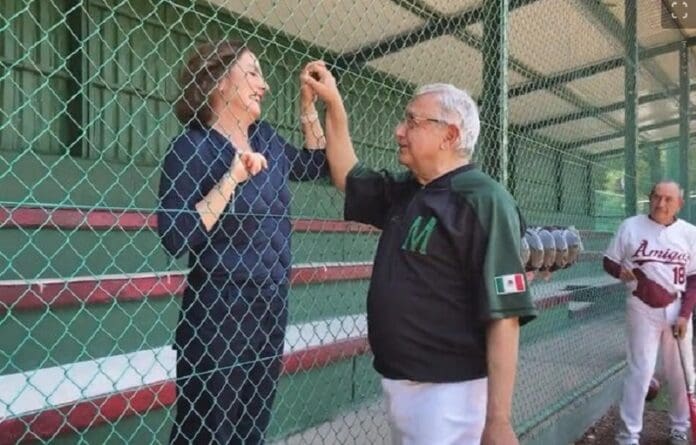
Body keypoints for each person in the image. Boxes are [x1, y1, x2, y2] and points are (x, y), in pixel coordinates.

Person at [301, 62, 537, 445]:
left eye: (412, 121)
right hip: (403, 386)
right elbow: (346, 173)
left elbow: (505, 316)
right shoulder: (409, 189)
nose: (399, 130)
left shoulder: (484, 200)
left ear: (450, 135)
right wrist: (334, 104)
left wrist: (498, 419)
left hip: (451, 392)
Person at [157, 41, 328, 444]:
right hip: (219, 309)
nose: (264, 85)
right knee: (207, 430)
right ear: (217, 81)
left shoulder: (266, 138)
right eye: (252, 72)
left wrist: (307, 108)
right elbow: (175, 235)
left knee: (251, 427)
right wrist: (230, 179)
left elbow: (315, 163)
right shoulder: (191, 146)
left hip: (271, 303)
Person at [603, 181, 696, 445]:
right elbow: (609, 260)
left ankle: (680, 426)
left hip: (677, 308)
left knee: (682, 372)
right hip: (641, 307)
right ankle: (628, 435)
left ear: (680, 204)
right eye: (657, 197)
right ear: (649, 198)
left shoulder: (690, 233)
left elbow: (694, 278)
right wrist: (618, 271)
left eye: (668, 199)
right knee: (640, 371)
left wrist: (685, 315)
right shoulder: (630, 226)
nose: (661, 203)